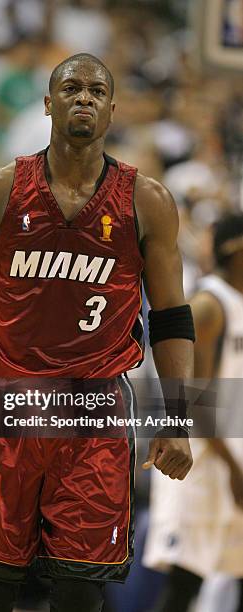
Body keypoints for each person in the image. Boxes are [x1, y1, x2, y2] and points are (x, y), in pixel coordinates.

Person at [0, 53, 194, 612]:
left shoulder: (148, 201)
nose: (84, 98)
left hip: (93, 410)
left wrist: (178, 422)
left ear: (112, 110)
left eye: (97, 91)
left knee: (81, 588)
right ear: (47, 103)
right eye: (71, 88)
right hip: (9, 402)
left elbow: (172, 316)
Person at [143, 213, 243, 612]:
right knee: (184, 584)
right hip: (200, 461)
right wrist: (233, 467)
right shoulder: (209, 304)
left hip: (231, 456)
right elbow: (189, 399)